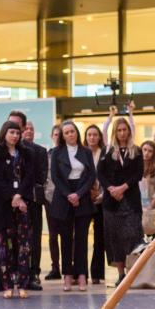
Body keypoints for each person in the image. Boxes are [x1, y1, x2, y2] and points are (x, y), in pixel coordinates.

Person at [0, 121, 35, 299]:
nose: (15, 135)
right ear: (4, 133)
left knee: (23, 246)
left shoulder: (26, 153)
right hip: (3, 206)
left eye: (17, 132)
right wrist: (12, 197)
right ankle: (7, 284)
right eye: (11, 132)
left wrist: (19, 196)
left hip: (22, 205)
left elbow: (29, 177)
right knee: (3, 247)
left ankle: (22, 284)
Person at [50, 120, 96, 292]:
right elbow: (55, 176)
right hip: (63, 196)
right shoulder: (56, 152)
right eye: (66, 132)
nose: (70, 134)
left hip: (82, 196)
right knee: (66, 239)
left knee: (82, 239)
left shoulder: (86, 151)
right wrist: (69, 194)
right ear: (62, 136)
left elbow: (91, 175)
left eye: (72, 131)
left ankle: (82, 275)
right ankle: (67, 275)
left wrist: (79, 194)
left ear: (77, 132)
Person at [97, 117, 144, 286]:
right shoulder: (107, 150)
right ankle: (121, 274)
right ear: (114, 132)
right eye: (119, 130)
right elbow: (100, 173)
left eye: (125, 130)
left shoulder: (136, 151)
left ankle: (134, 272)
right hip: (111, 202)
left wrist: (122, 188)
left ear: (129, 131)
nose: (122, 133)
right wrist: (111, 189)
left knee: (133, 237)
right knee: (114, 238)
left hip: (130, 200)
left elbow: (138, 174)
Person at [21, 120, 47, 291]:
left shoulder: (41, 151)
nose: (29, 131)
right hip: (18, 200)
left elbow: (42, 175)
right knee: (21, 237)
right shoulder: (16, 150)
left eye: (32, 129)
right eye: (26, 128)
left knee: (35, 237)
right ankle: (20, 272)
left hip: (35, 200)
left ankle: (34, 272)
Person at [84, 124, 106, 284]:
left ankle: (97, 274)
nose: (92, 137)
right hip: (84, 199)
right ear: (85, 137)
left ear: (99, 137)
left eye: (95, 134)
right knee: (81, 238)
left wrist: (102, 194)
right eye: (89, 135)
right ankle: (82, 273)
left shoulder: (104, 153)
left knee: (100, 238)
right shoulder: (81, 153)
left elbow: (109, 175)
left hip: (102, 199)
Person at [42, 124, 62, 281]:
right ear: (51, 136)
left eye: (60, 134)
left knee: (70, 235)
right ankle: (55, 267)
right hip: (50, 198)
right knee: (53, 234)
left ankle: (71, 267)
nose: (58, 136)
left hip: (67, 198)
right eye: (55, 134)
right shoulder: (47, 155)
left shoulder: (69, 153)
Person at [140, 140, 155, 237]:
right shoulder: (136, 166)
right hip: (136, 206)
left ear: (154, 154)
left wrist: (151, 206)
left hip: (151, 206)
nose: (146, 153)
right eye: (144, 150)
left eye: (150, 151)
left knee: (152, 239)